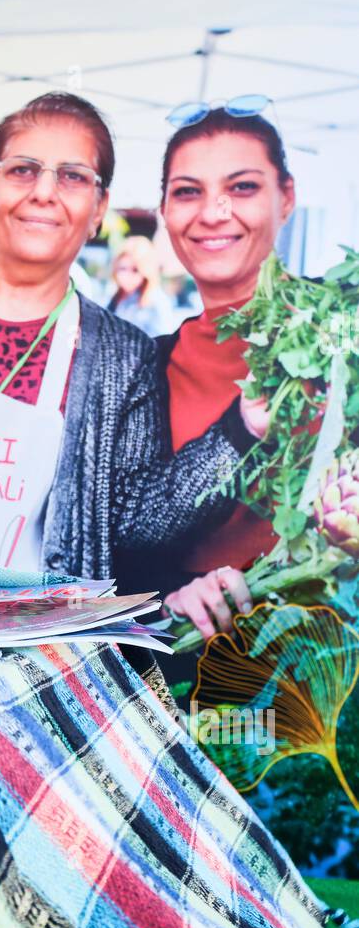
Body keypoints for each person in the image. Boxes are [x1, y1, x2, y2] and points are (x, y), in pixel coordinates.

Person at [0, 92, 261, 580]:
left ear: (100, 207)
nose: (44, 191)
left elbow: (138, 525)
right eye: (22, 169)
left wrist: (239, 430)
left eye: (73, 177)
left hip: (27, 642)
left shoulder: (123, 356)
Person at [154, 105, 295, 639]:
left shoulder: (344, 333)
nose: (214, 212)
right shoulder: (149, 364)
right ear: (164, 210)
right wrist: (172, 600)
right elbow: (133, 544)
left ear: (286, 197)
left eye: (241, 187)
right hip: (194, 670)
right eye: (188, 191)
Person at [107, 234, 175, 337]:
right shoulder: (114, 297)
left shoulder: (156, 301)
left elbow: (162, 342)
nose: (127, 275)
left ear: (145, 271)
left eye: (135, 270)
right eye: (122, 268)